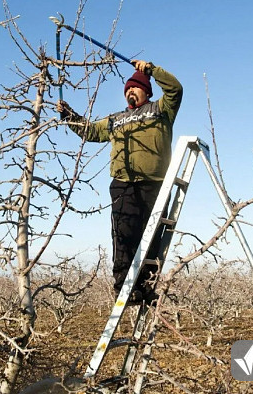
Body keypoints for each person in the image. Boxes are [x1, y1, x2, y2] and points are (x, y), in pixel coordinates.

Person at [57, 60, 183, 303]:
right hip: (123, 183)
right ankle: (125, 287)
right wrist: (69, 115)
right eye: (127, 89)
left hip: (156, 183)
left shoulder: (161, 110)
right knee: (124, 236)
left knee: (154, 236)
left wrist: (151, 70)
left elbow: (175, 89)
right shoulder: (116, 119)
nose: (130, 92)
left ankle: (146, 286)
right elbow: (91, 131)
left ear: (147, 90)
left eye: (135, 88)